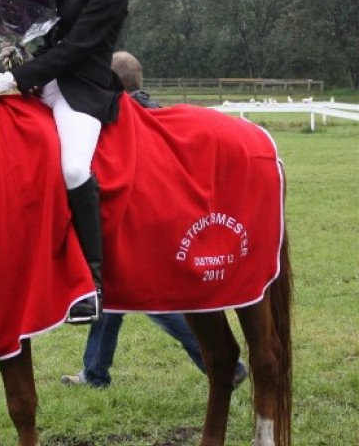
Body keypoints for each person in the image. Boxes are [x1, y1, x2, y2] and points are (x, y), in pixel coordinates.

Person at [59, 51, 248, 388]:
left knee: (159, 305)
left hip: (140, 223)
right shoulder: (157, 111)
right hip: (153, 218)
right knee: (110, 297)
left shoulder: (119, 118)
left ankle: (226, 365)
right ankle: (95, 371)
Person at [0, 0, 130, 323]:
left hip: (83, 89)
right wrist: (20, 56)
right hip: (44, 85)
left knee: (74, 168)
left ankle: (93, 287)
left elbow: (79, 47)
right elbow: (52, 41)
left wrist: (15, 78)